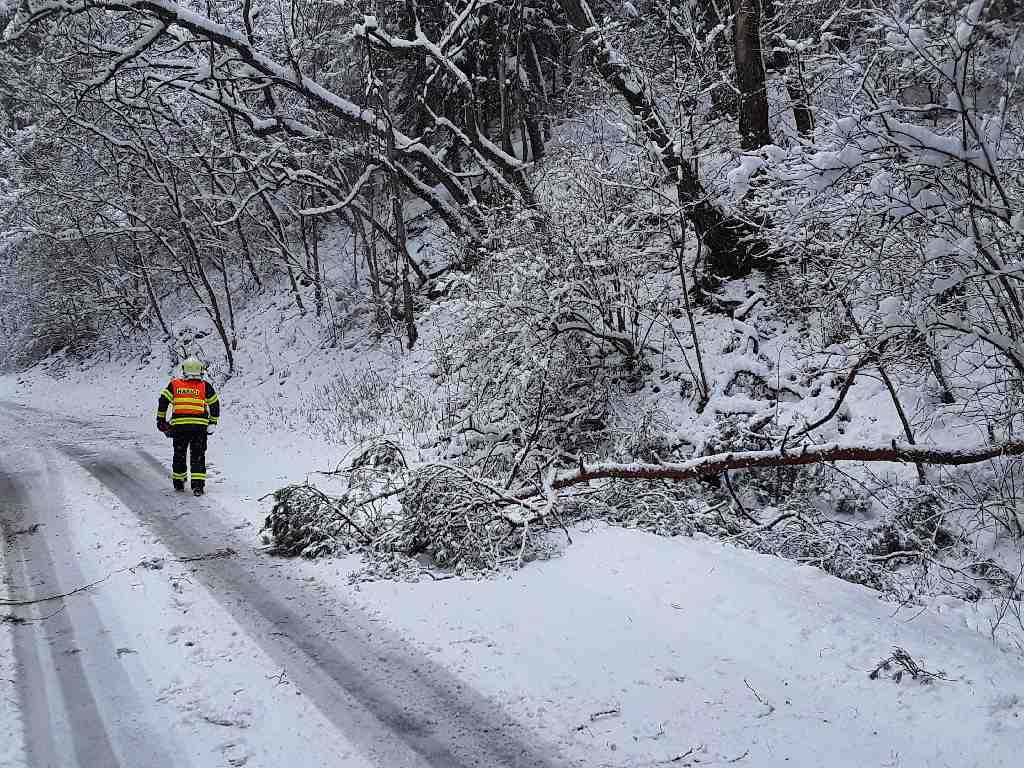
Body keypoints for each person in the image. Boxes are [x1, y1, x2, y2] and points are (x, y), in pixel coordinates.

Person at [157, 357, 220, 496]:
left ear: (184, 371)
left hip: (180, 427)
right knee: (198, 455)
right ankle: (198, 486)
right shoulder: (205, 386)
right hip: (199, 428)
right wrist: (213, 422)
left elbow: (163, 401)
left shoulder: (174, 385)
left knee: (179, 454)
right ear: (200, 371)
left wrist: (161, 420)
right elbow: (214, 404)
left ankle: (179, 482)